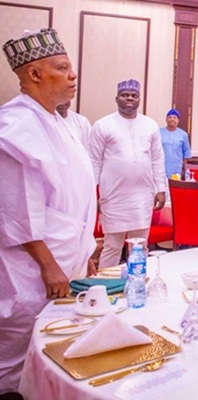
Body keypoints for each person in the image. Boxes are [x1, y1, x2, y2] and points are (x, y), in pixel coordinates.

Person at [0, 28, 96, 396]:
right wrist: (48, 265)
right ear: (34, 74)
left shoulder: (60, 121)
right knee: (20, 356)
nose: (73, 75)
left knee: (56, 346)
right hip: (32, 270)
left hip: (65, 259)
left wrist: (83, 251)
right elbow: (15, 210)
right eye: (63, 68)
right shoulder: (17, 124)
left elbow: (73, 195)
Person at [88, 79, 167, 268]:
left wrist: (161, 188)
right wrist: (93, 194)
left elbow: (157, 158)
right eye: (125, 95)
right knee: (112, 246)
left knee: (140, 246)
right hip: (113, 195)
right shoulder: (103, 125)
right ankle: (106, 287)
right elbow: (93, 161)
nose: (129, 99)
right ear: (117, 99)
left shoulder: (150, 125)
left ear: (139, 99)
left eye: (134, 95)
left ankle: (138, 284)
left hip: (142, 196)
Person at [159, 108, 191, 179]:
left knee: (174, 187)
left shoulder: (183, 135)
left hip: (176, 168)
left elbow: (186, 153)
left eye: (174, 118)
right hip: (161, 167)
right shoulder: (159, 132)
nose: (172, 119)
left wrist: (183, 168)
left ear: (178, 121)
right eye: (170, 117)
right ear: (166, 120)